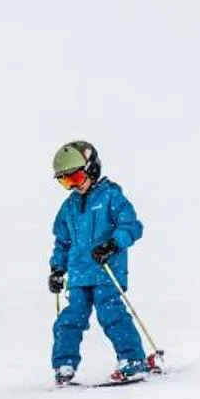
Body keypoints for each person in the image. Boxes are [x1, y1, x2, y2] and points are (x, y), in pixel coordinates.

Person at [48, 142, 149, 383]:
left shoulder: (111, 196)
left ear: (92, 169)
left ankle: (133, 359)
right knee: (69, 320)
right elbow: (62, 242)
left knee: (111, 315)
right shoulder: (68, 208)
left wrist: (113, 244)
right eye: (65, 181)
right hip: (79, 275)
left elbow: (132, 226)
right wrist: (57, 268)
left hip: (106, 270)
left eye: (76, 177)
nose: (73, 185)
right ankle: (64, 364)